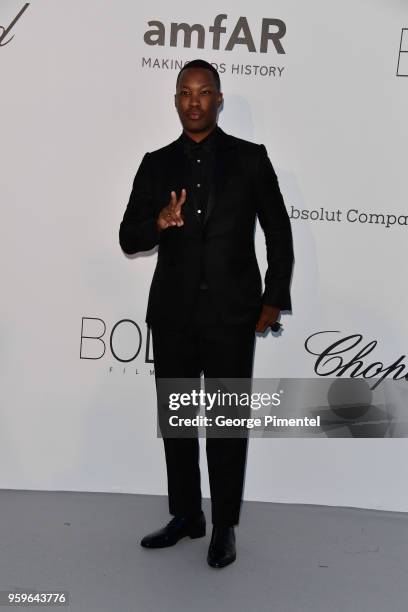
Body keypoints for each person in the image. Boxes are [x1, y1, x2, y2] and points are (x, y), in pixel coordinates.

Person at [119, 59, 294, 568]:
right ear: (176, 100)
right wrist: (158, 221)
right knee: (177, 422)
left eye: (204, 92)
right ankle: (186, 516)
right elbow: (130, 237)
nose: (194, 101)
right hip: (173, 315)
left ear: (218, 99)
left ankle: (223, 527)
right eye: (184, 93)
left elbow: (279, 233)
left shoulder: (250, 159)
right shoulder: (155, 163)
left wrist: (272, 299)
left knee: (224, 424)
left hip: (232, 315)